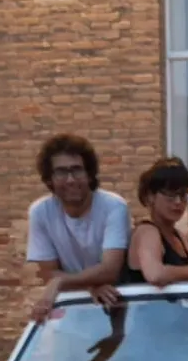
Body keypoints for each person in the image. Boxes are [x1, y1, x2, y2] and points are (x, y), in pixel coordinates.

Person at [27, 134, 131, 319]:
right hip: (71, 311)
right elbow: (48, 273)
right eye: (61, 172)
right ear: (49, 179)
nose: (70, 180)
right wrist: (90, 286)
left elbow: (110, 269)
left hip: (117, 306)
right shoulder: (40, 212)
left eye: (77, 170)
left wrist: (59, 282)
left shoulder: (113, 206)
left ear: (90, 174)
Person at [119, 157, 188, 288]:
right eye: (170, 194)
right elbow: (155, 274)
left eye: (184, 195)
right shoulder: (147, 231)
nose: (178, 202)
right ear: (150, 196)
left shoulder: (179, 237)